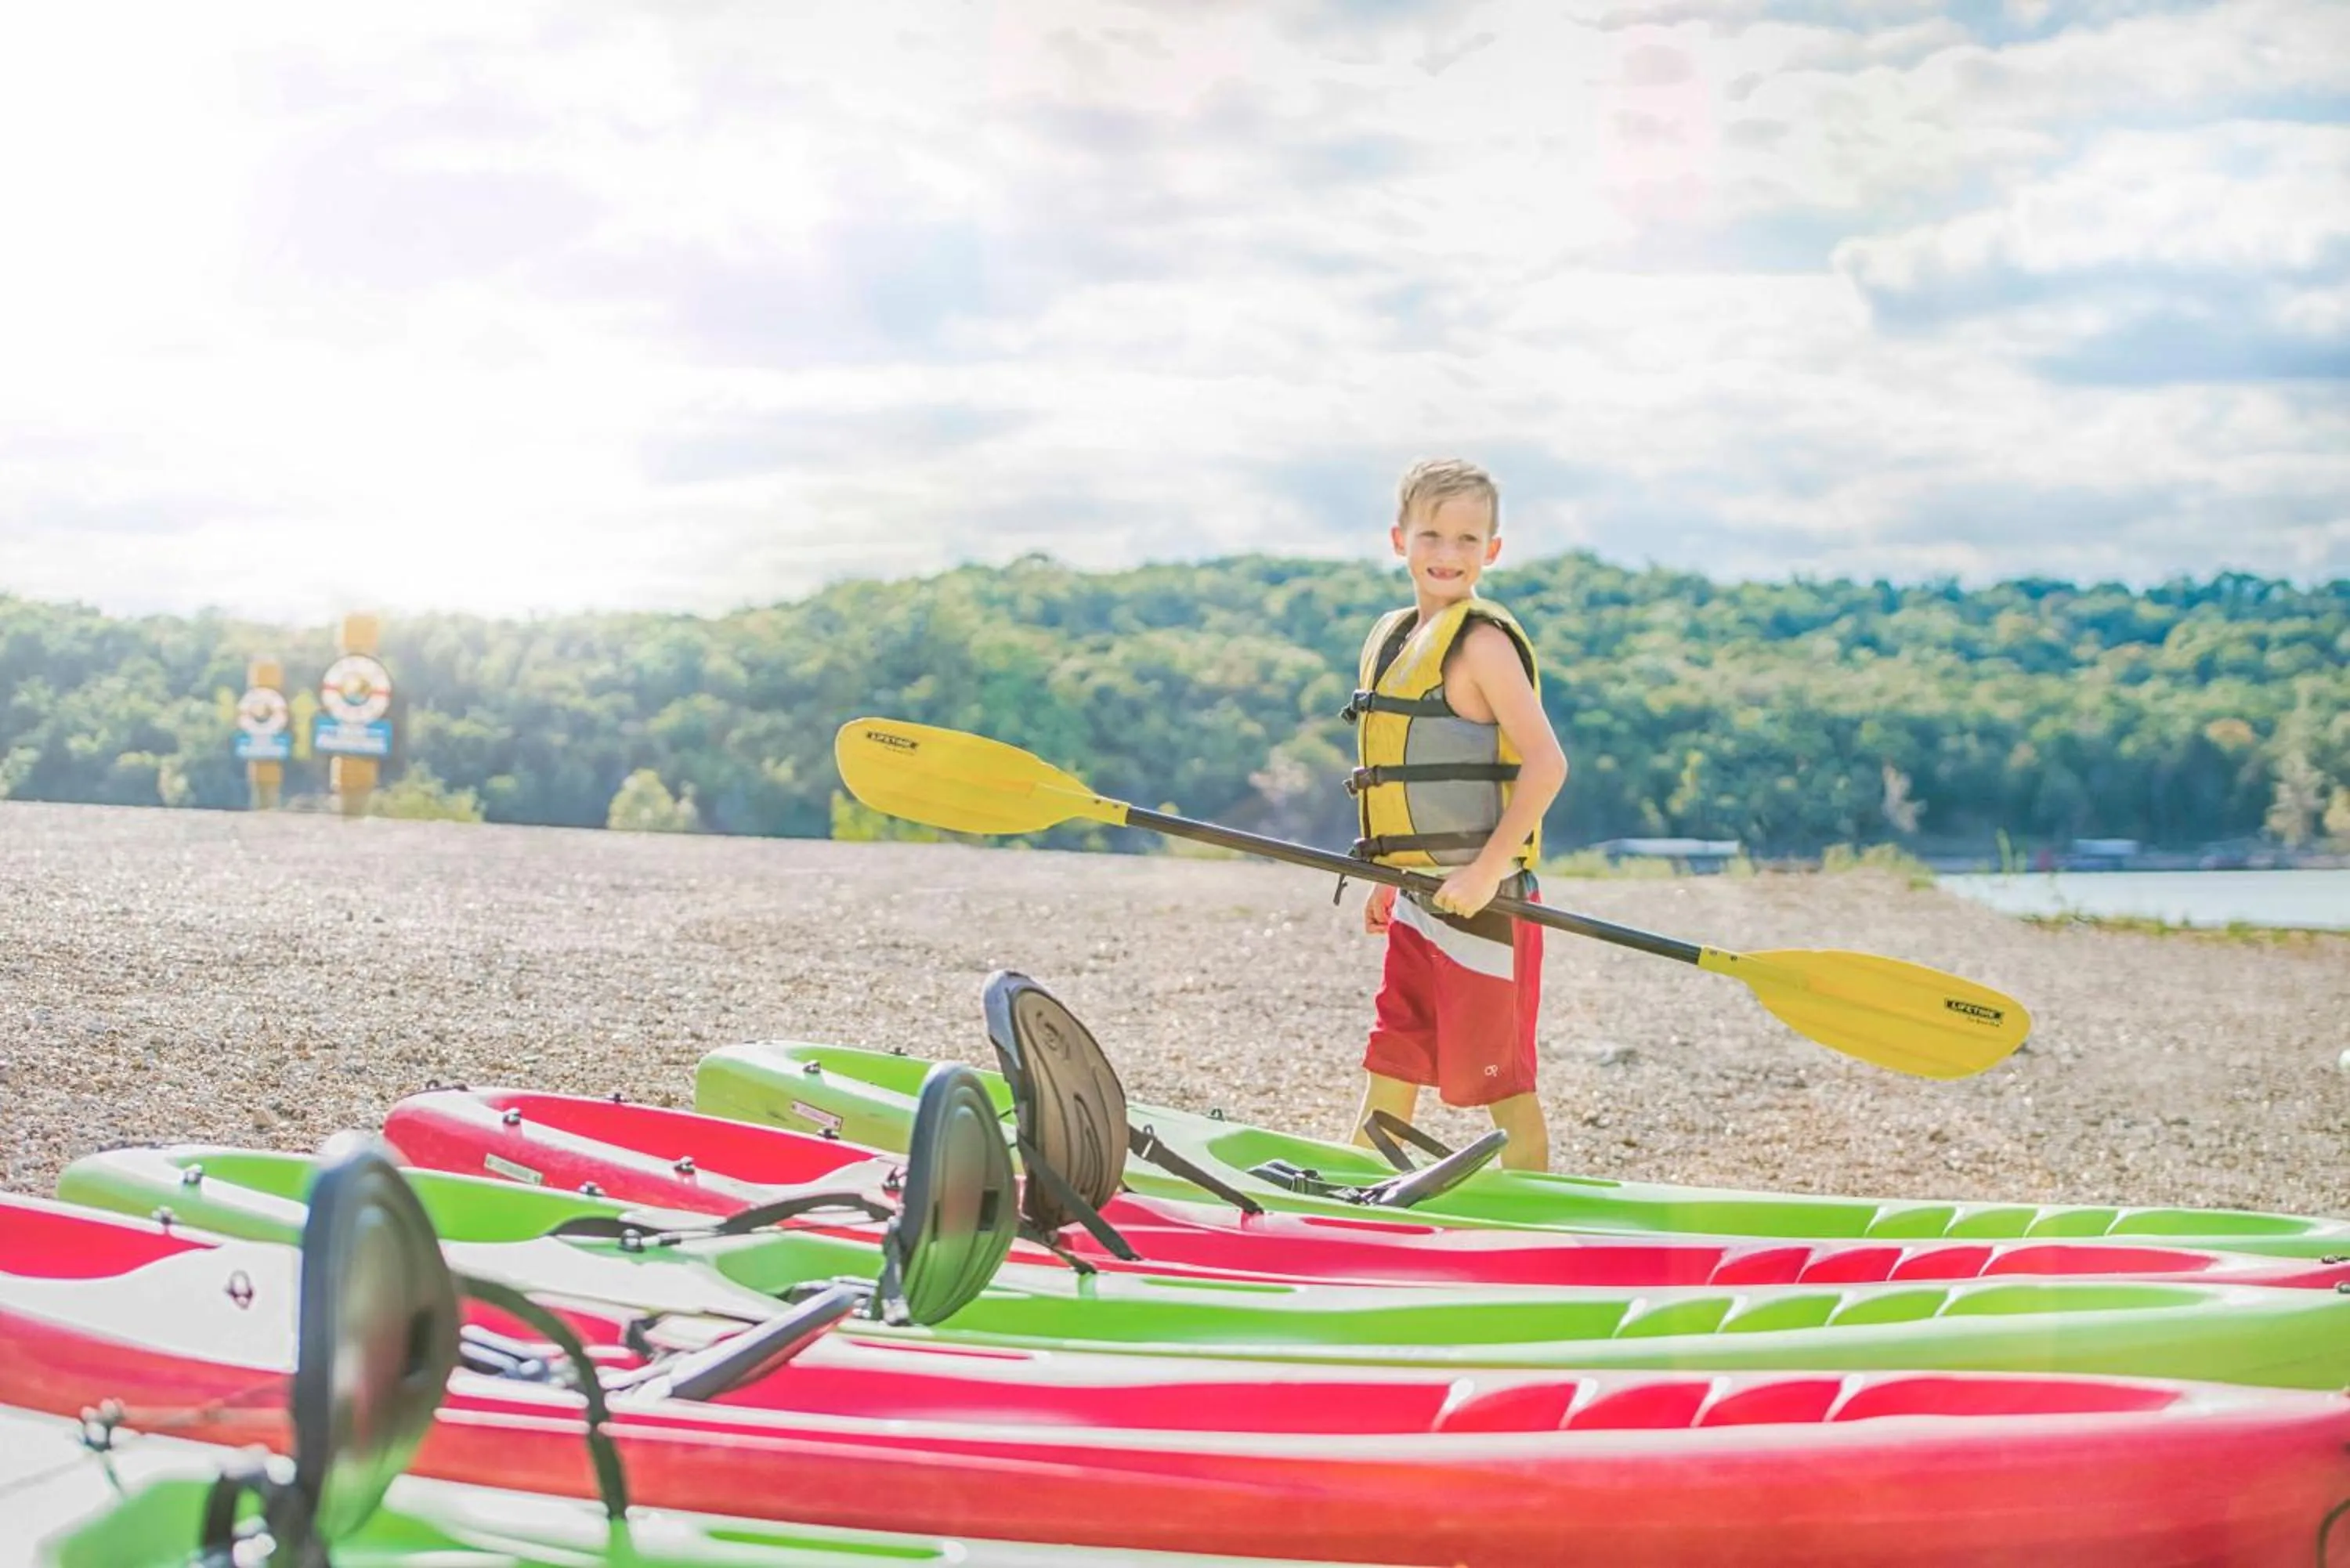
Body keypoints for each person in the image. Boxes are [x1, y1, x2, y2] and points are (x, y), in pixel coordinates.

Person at [1342, 458, 1567, 1172]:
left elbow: (1547, 764)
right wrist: (1388, 875)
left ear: (1492, 552)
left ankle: (1540, 1229)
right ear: (1399, 539)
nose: (1448, 554)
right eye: (1432, 535)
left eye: (1468, 540)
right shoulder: (1394, 637)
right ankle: (1355, 1214)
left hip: (1488, 908)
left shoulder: (1483, 645)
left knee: (1503, 1088)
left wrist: (1488, 870)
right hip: (1417, 898)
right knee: (1394, 1060)